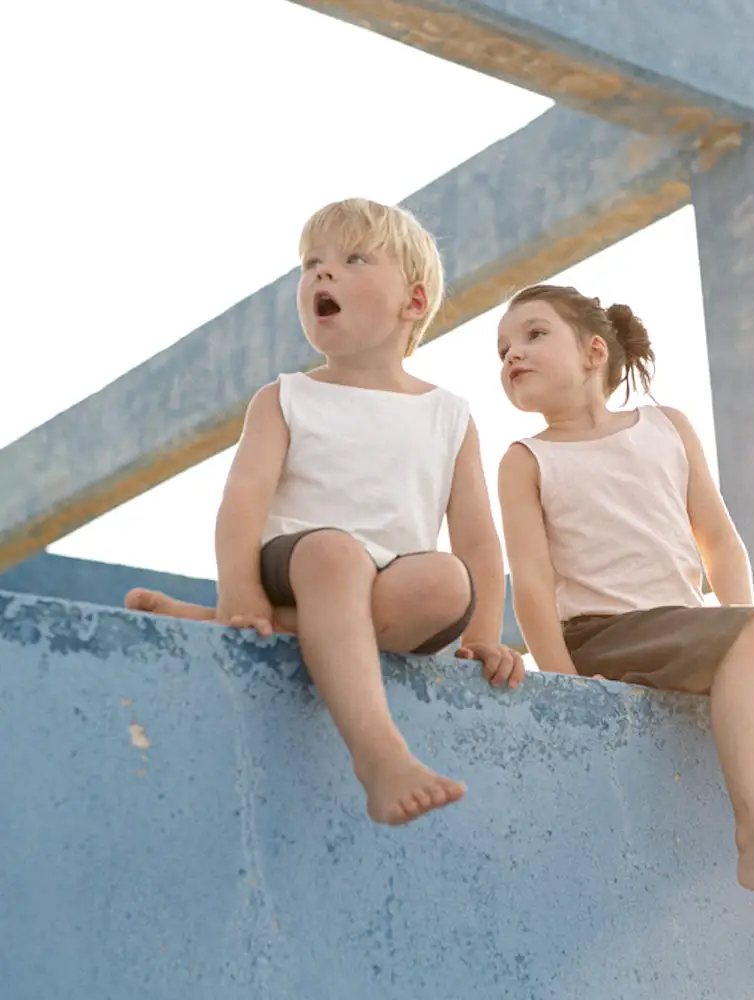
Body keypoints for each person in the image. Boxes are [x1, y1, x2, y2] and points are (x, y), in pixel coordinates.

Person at [495, 283, 754, 999]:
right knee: (746, 635)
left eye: (530, 335)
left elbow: (719, 539)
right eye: (502, 351)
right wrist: (564, 684)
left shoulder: (667, 427)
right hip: (603, 639)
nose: (511, 354)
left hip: (691, 635)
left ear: (592, 351)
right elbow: (528, 583)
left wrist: (748, 633)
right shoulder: (526, 459)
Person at [128, 197, 524, 827]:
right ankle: (380, 755)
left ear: (413, 303)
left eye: (353, 259)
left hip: (390, 580)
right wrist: (240, 592)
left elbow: (477, 538)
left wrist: (484, 637)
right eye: (311, 263)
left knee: (450, 579)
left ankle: (254, 624)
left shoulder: (449, 415)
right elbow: (243, 503)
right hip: (301, 559)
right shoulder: (287, 397)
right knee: (335, 554)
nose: (321, 274)